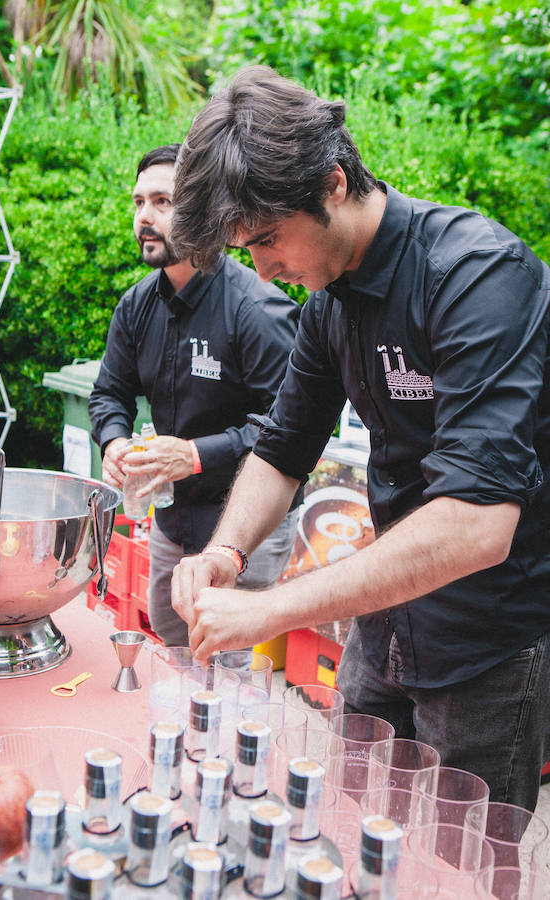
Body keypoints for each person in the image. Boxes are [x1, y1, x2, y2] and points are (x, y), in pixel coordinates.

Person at [169, 68, 550, 811]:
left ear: (334, 183)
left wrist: (269, 608)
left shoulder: (476, 275)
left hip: (488, 645)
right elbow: (282, 450)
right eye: (247, 250)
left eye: (270, 239)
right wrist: (227, 552)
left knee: (456, 866)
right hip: (383, 629)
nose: (264, 268)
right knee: (350, 830)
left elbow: (477, 524)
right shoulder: (328, 304)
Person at [88, 143, 301, 647]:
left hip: (247, 527)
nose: (145, 216)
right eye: (138, 202)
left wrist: (194, 455)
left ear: (203, 209)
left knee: (226, 663)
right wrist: (114, 444)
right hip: (171, 521)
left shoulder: (257, 309)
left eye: (163, 201)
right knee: (170, 636)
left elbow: (290, 430)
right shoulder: (136, 306)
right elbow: (108, 394)